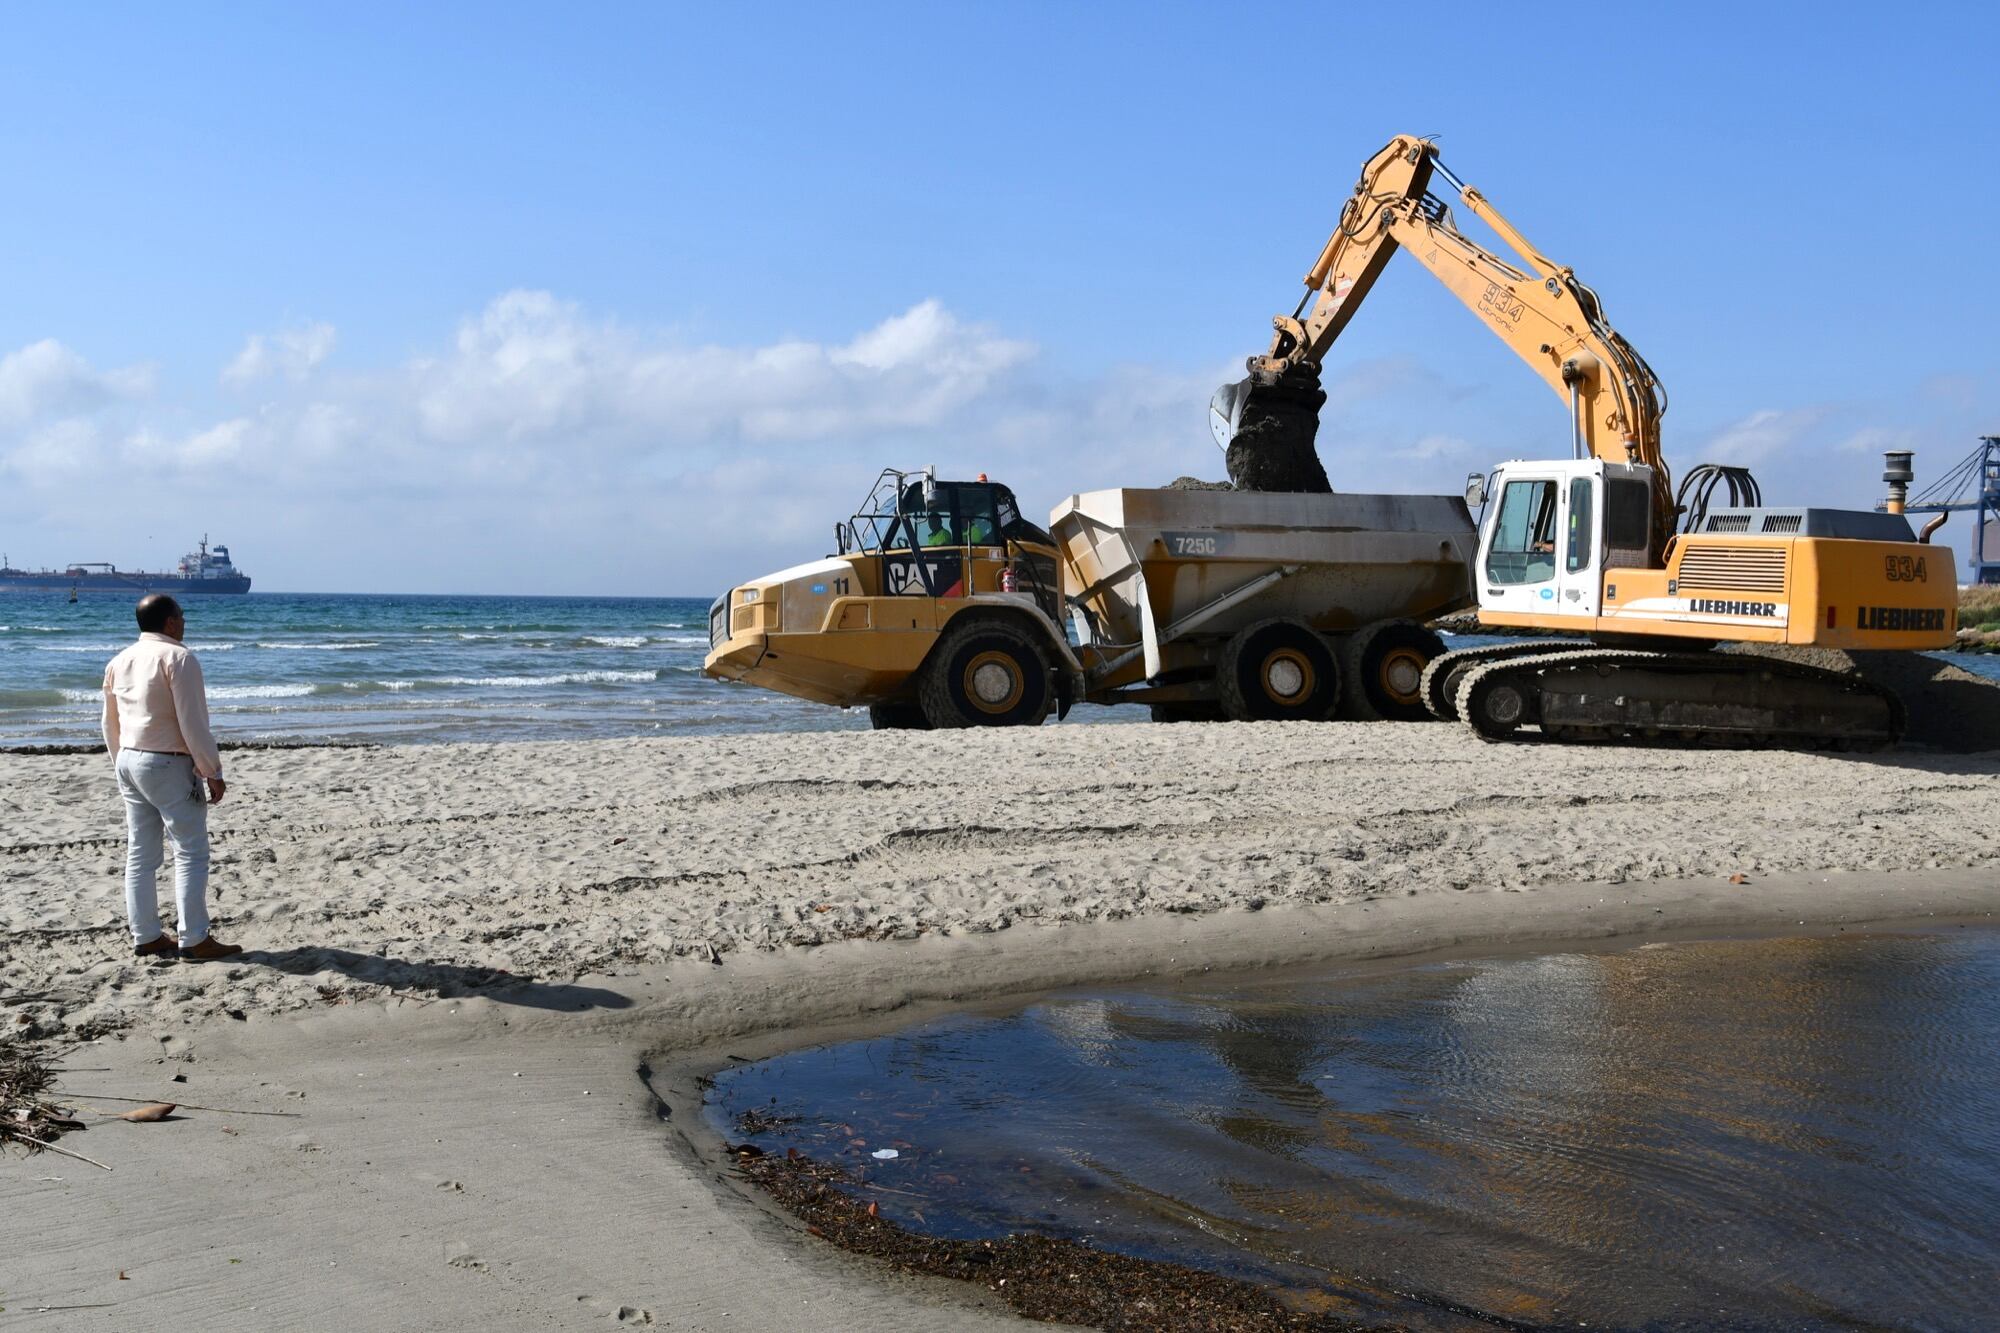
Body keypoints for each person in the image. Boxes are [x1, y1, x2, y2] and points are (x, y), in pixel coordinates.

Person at [102, 594, 242, 961]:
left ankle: (146, 934)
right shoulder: (179, 658)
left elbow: (109, 722)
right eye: (181, 616)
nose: (184, 621)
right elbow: (193, 722)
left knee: (141, 853)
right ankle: (194, 938)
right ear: (169, 622)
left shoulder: (119, 660)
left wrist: (120, 762)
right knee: (191, 851)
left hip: (130, 759)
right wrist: (213, 770)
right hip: (167, 762)